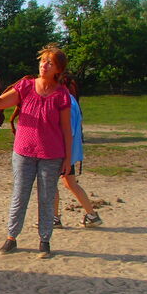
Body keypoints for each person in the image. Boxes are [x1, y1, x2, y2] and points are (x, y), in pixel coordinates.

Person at [0, 44, 72, 259]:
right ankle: (12, 237)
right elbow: (0, 103)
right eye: (42, 61)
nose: (44, 65)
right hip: (24, 151)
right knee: (20, 194)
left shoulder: (62, 95)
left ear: (58, 69)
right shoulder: (26, 86)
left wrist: (68, 158)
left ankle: (44, 240)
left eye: (50, 62)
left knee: (47, 197)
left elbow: (67, 129)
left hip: (51, 154)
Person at [53, 91, 103, 228]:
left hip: (59, 150)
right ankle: (92, 215)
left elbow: (66, 127)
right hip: (69, 150)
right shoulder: (71, 99)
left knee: (51, 184)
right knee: (70, 183)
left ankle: (54, 218)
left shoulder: (62, 99)